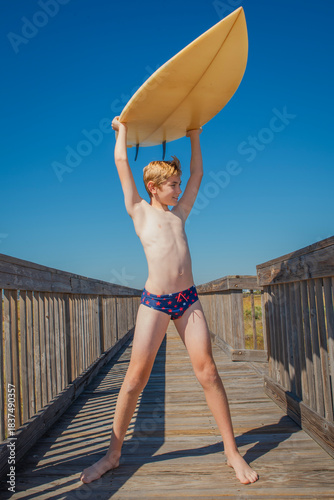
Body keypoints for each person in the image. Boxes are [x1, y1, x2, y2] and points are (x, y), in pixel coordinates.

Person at [80, 117, 259, 485]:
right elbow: (120, 164)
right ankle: (113, 455)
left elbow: (198, 175)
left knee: (208, 371)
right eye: (171, 185)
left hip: (188, 300)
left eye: (177, 184)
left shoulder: (181, 214)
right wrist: (123, 132)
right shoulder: (139, 212)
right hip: (155, 302)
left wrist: (194, 137)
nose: (179, 188)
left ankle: (231, 451)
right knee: (134, 380)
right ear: (153, 188)